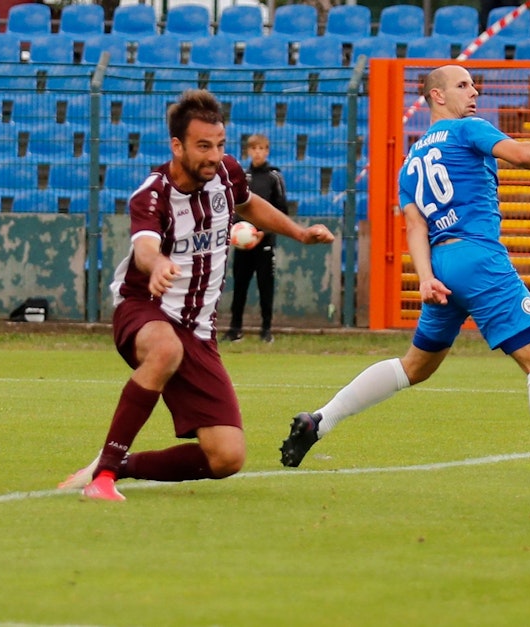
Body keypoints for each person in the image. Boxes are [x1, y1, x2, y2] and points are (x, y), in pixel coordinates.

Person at [276, 66, 530, 482]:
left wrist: (425, 278)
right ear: (437, 96)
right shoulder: (468, 129)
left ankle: (319, 421)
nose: (474, 92)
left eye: (473, 84)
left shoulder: (411, 161)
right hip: (478, 258)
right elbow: (522, 154)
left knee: (415, 367)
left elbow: (415, 226)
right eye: (463, 85)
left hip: (441, 264)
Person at [58, 90, 336, 501]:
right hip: (145, 308)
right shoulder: (152, 194)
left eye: (220, 145)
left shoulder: (226, 172)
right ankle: (104, 479)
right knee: (165, 349)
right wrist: (157, 265)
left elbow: (248, 203)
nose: (214, 156)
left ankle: (119, 464)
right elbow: (145, 247)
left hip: (200, 332)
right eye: (203, 146)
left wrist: (298, 232)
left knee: (226, 457)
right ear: (177, 146)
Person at [224, 133, 286, 344]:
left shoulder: (274, 177)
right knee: (239, 286)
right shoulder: (243, 176)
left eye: (261, 149)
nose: (257, 153)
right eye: (254, 149)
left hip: (265, 243)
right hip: (243, 244)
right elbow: (235, 207)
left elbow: (281, 211)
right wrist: (235, 229)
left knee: (265, 286)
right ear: (248, 151)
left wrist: (264, 232)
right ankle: (235, 329)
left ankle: (266, 330)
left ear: (267, 151)